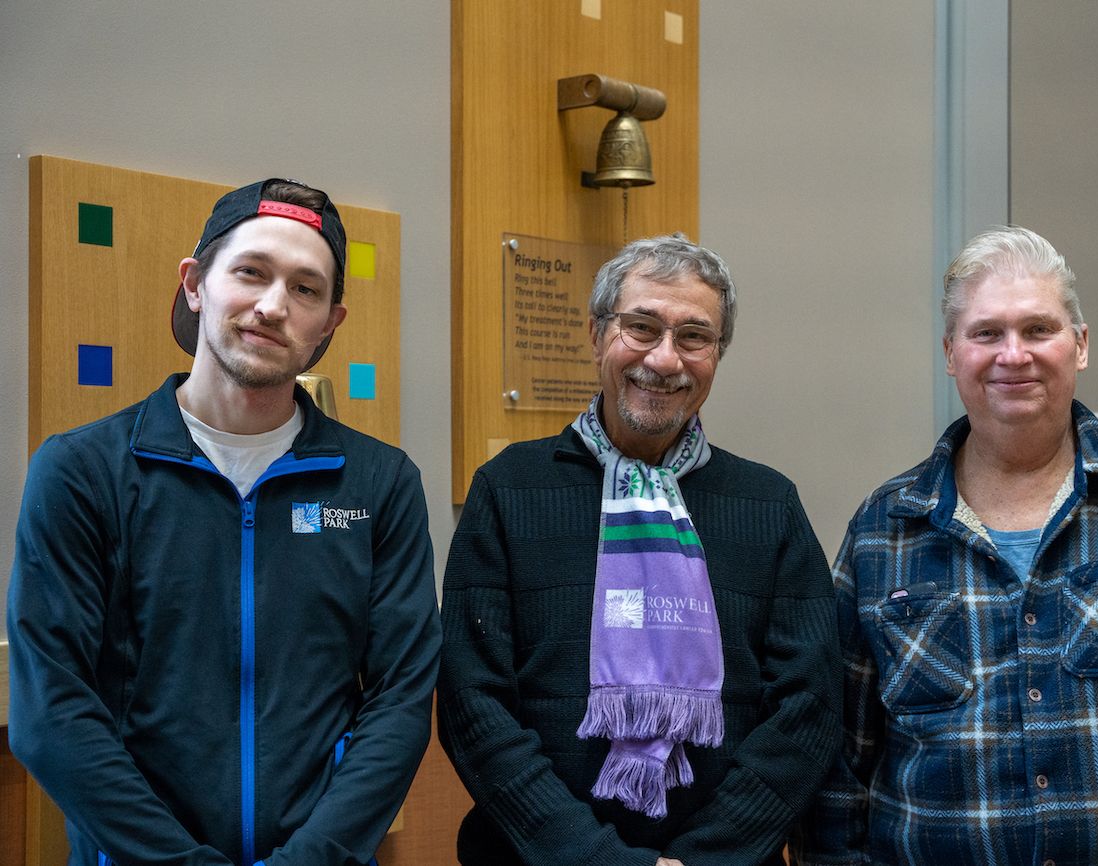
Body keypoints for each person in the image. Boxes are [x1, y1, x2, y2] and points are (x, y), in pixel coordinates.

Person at [792, 225, 1098, 865]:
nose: (1014, 354)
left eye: (1038, 329)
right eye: (986, 333)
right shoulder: (882, 532)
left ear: (1080, 346)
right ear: (951, 352)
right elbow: (838, 771)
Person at [7, 178, 441, 866]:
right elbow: (51, 712)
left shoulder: (380, 484)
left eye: (305, 289)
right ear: (195, 283)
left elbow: (399, 703)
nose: (272, 306)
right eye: (250, 272)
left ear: (330, 322)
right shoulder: (80, 471)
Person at [437, 234, 841, 865]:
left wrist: (706, 858)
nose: (664, 358)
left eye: (694, 337)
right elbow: (473, 704)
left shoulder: (770, 505)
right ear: (598, 335)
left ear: (717, 354)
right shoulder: (508, 490)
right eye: (641, 327)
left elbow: (809, 710)